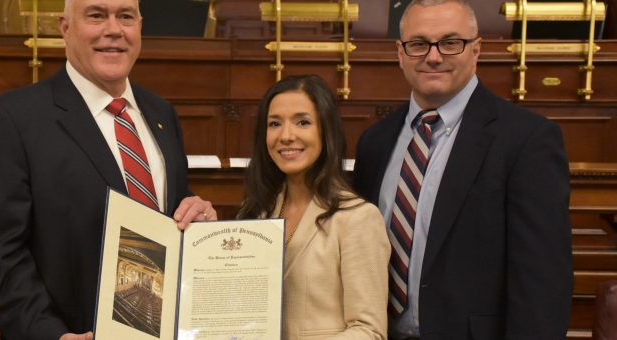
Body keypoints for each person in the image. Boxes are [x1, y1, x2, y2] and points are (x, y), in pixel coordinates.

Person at [0, 0, 216, 339]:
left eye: (125, 17)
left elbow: (164, 206)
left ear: (140, 28)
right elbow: (1, 251)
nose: (113, 30)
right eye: (97, 15)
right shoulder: (13, 119)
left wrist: (197, 212)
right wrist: (48, 333)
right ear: (65, 28)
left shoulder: (161, 113)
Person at [352, 0, 573, 339]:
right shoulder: (375, 142)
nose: (434, 56)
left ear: (476, 49)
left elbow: (542, 281)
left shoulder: (526, 139)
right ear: (400, 52)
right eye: (418, 44)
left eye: (451, 42)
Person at [237, 75, 389, 339]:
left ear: (326, 131)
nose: (286, 136)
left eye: (303, 122)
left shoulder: (358, 218)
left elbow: (369, 331)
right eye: (274, 124)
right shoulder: (254, 213)